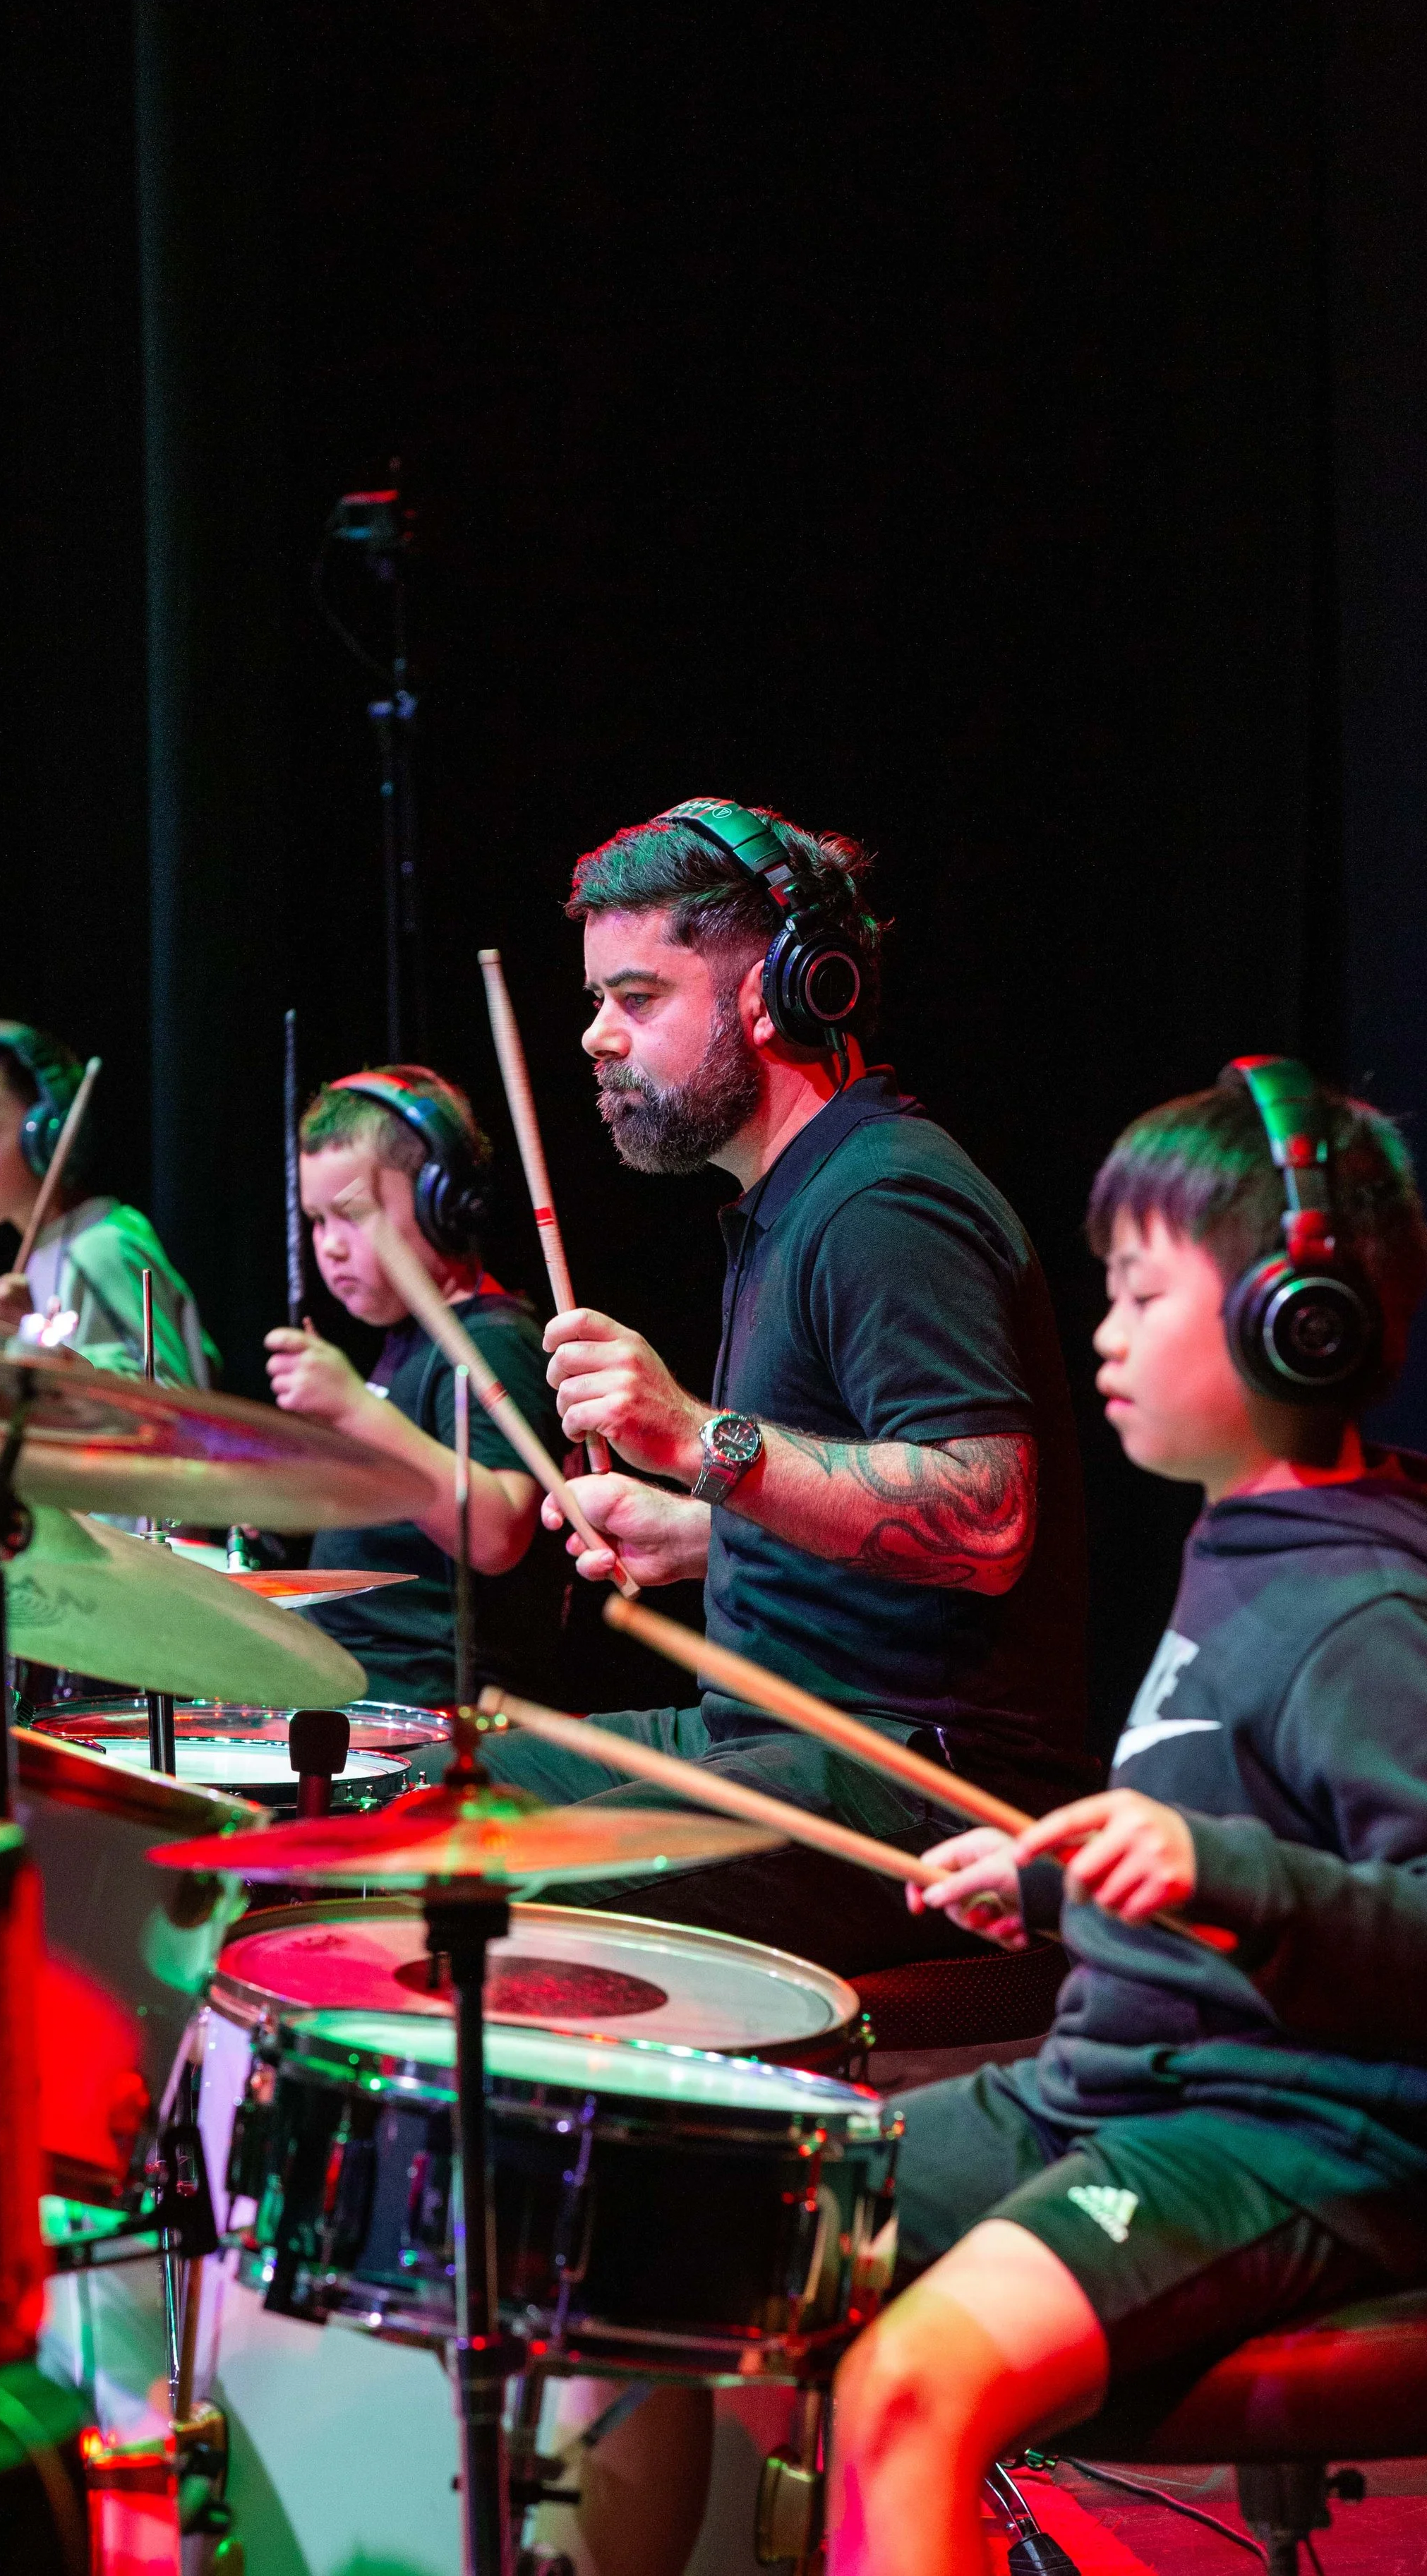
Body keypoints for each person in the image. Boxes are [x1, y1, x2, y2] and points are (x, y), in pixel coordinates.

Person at [826, 1059, 1427, 2576]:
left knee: (907, 2388)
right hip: (1112, 2094)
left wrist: (1217, 1867)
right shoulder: (1243, 1542)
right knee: (731, 2226)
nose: (1100, 1336)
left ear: (1287, 1311)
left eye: (1136, 1296)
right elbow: (1231, 1865)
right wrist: (1063, 1886)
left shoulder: (1366, 1600)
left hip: (1287, 2144)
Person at [469, 800, 1090, 1974]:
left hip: (925, 1781)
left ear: (781, 992)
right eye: (596, 1001)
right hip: (773, 1738)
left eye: (636, 998)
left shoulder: (884, 1202)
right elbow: (870, 1515)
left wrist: (699, 1441)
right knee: (442, 1795)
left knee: (521, 1901)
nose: (597, 1037)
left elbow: (990, 1516)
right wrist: (706, 1533)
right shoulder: (791, 1201)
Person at [264, 1067, 565, 1710]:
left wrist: (354, 1410)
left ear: (442, 1201)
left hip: (437, 1715)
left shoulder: (492, 1341)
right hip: (362, 1699)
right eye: (316, 1222)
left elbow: (498, 1531)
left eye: (349, 1216)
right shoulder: (406, 1343)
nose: (330, 1248)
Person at [0, 1018, 218, 1387]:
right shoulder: (48, 1251)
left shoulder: (101, 1247)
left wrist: (45, 1352)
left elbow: (170, 1398)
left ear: (48, 1132)